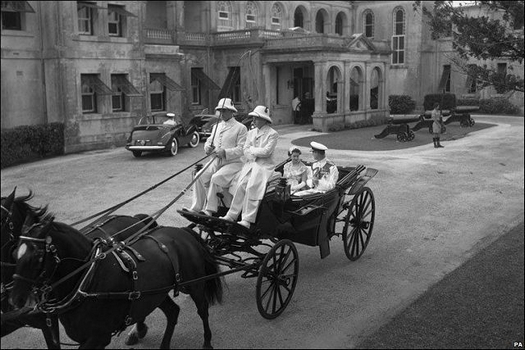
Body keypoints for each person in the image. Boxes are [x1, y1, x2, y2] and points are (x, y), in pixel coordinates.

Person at [183, 98, 247, 214]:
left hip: (233, 163)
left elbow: (242, 149)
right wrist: (207, 148)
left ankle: (210, 210)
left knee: (215, 178)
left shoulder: (240, 128)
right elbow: (209, 140)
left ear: (232, 111)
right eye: (220, 111)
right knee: (199, 176)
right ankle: (196, 208)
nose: (221, 113)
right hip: (215, 161)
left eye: (224, 111)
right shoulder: (216, 126)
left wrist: (225, 152)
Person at [220, 105, 279, 229]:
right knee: (240, 185)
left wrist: (252, 150)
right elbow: (245, 150)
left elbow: (267, 152)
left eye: (256, 118)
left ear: (264, 119)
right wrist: (253, 152)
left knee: (252, 187)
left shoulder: (272, 134)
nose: (253, 121)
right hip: (251, 164)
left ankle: (247, 219)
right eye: (253, 118)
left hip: (264, 167)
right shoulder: (251, 132)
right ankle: (232, 215)